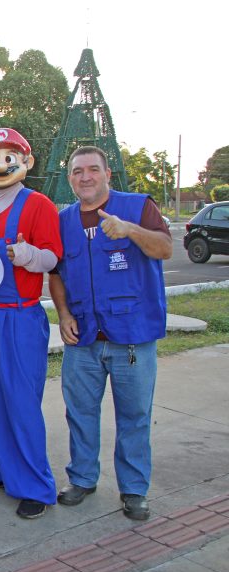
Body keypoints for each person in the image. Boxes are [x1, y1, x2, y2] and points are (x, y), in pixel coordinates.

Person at [49, 146, 172, 521]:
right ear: (69, 178)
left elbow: (165, 248)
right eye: (77, 171)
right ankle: (83, 478)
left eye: (92, 170)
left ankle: (134, 489)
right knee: (80, 414)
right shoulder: (63, 220)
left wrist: (130, 230)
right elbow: (55, 273)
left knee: (134, 416)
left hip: (131, 338)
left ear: (107, 174)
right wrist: (64, 313)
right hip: (83, 340)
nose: (85, 177)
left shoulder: (138, 207)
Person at [0, 128, 63, 519]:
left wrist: (25, 254)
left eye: (10, 156)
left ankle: (34, 485)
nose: (1, 164)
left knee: (19, 401)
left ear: (27, 162)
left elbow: (53, 258)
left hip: (19, 315)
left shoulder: (38, 205)